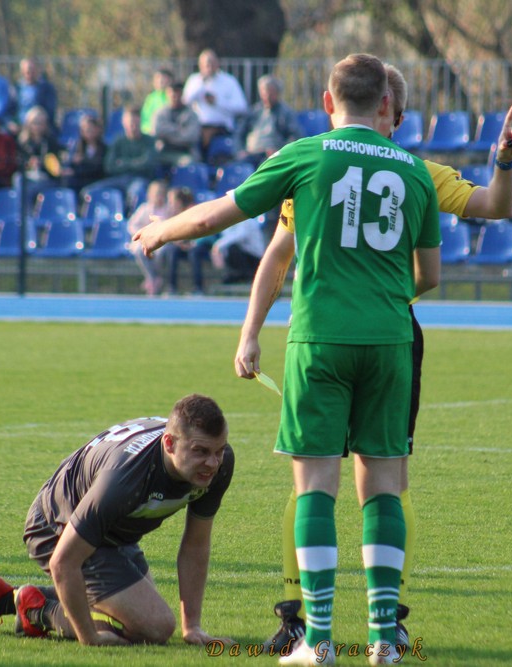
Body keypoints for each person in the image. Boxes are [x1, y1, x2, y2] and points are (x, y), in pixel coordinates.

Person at [136, 53, 442, 666]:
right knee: (383, 489)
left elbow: (223, 213)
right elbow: (428, 276)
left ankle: (318, 640)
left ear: (329, 103)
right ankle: (385, 641)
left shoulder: (307, 154)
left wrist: (161, 232)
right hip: (390, 341)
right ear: (387, 103)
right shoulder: (415, 171)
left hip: (320, 342)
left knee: (316, 490)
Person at [255, 63, 512, 657]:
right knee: (341, 480)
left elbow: (495, 205)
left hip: (347, 335)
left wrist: (503, 164)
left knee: (353, 480)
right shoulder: (391, 171)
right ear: (384, 109)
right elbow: (281, 252)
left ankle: (370, 619)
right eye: (390, 110)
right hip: (377, 332)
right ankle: (308, 616)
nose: (391, 120)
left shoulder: (370, 169)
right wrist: (252, 331)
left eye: (396, 114)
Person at [0, 394, 235, 647]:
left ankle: (11, 595)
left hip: (113, 532)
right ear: (169, 443)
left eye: (218, 451)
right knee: (155, 627)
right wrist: (89, 638)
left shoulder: (219, 465)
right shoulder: (125, 479)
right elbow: (63, 562)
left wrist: (192, 626)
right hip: (55, 527)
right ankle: (27, 606)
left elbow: (196, 545)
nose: (212, 463)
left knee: (140, 615)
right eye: (200, 452)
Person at [182, 50, 248, 156]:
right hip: (197, 130)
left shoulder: (229, 81)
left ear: (217, 63)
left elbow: (241, 107)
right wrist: (201, 84)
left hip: (221, 129)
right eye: (206, 64)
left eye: (211, 63)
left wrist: (217, 102)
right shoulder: (194, 81)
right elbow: (185, 101)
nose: (209, 67)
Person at [234, 75, 303, 167]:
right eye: (264, 92)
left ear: (278, 93)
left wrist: (280, 151)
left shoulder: (286, 113)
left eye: (271, 92)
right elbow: (239, 133)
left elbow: (295, 136)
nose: (267, 96)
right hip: (251, 153)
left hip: (272, 155)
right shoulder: (254, 111)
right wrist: (240, 150)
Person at [162, 186, 210, 296]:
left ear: (178, 202)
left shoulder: (195, 211)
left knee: (194, 253)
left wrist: (194, 243)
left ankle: (198, 289)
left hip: (201, 245)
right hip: (185, 246)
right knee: (172, 251)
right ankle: (171, 288)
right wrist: (179, 243)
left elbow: (207, 231)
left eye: (171, 201)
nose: (169, 204)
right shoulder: (173, 215)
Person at [126, 179, 168, 295]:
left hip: (163, 241)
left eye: (161, 195)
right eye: (156, 194)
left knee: (161, 252)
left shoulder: (168, 209)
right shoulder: (144, 209)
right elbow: (132, 225)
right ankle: (152, 278)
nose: (158, 197)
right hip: (145, 241)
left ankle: (156, 277)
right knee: (139, 250)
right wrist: (142, 235)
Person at [103, 104, 161, 186]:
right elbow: (109, 166)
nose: (133, 127)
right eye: (130, 124)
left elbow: (147, 164)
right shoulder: (117, 141)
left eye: (135, 123)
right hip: (119, 180)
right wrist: (136, 162)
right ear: (123, 122)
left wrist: (122, 163)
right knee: (89, 192)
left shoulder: (149, 141)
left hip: (141, 180)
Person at [153, 80, 202, 168]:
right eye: (171, 93)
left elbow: (191, 136)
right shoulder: (160, 113)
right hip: (165, 151)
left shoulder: (191, 114)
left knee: (188, 164)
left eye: (176, 94)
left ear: (182, 94)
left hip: (185, 152)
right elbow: (158, 131)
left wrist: (169, 135)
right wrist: (179, 130)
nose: (173, 96)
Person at [210, 215, 266, 284]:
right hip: (243, 256)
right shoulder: (228, 222)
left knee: (232, 248)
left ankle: (245, 274)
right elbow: (227, 238)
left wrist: (217, 246)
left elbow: (240, 236)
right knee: (229, 249)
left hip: (255, 257)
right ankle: (238, 274)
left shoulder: (246, 219)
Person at [11, 57, 58, 137]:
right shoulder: (17, 88)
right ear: (22, 72)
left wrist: (36, 122)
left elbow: (50, 111)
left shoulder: (47, 88)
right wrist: (11, 122)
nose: (30, 74)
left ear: (38, 70)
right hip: (20, 125)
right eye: (27, 71)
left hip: (40, 124)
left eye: (32, 71)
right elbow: (11, 109)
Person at [62, 114, 106, 192]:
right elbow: (71, 163)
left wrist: (83, 161)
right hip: (79, 179)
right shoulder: (77, 146)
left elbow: (99, 166)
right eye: (85, 129)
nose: (88, 132)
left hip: (95, 179)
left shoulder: (103, 148)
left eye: (91, 129)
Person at [140, 68, 172, 135]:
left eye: (163, 79)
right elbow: (144, 119)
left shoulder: (173, 97)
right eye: (157, 79)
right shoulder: (150, 98)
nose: (160, 81)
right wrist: (148, 130)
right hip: (152, 134)